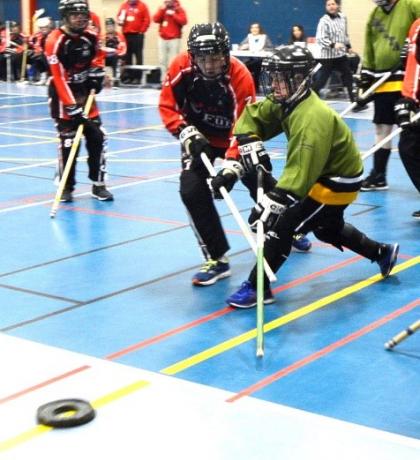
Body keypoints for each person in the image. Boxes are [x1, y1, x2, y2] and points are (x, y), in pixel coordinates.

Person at [214, 45, 399, 308]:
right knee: (326, 228)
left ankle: (258, 287)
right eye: (273, 77)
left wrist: (274, 203)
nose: (274, 84)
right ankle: (382, 252)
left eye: (281, 78)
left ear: (299, 80)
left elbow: (300, 171)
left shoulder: (311, 117)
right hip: (321, 174)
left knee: (282, 226)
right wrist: (248, 139)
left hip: (337, 181)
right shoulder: (287, 100)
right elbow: (254, 116)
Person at [45, 0, 113, 203]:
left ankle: (98, 184)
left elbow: (98, 56)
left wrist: (96, 73)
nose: (81, 18)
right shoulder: (54, 40)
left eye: (83, 14)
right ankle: (66, 186)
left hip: (86, 94)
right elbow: (57, 77)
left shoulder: (91, 36)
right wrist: (71, 105)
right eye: (75, 15)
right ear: (65, 17)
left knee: (97, 138)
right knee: (68, 143)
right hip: (62, 96)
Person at [358, 0, 420, 191]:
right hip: (383, 80)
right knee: (382, 128)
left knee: (410, 137)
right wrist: (366, 75)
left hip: (407, 79)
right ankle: (378, 174)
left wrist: (410, 49)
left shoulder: (411, 5)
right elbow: (369, 46)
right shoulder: (374, 14)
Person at [394, 18, 420, 220]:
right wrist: (408, 99)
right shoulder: (416, 25)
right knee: (408, 147)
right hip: (415, 98)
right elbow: (413, 65)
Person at [312, 0, 356, 105]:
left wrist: (348, 47)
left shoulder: (343, 18)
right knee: (322, 79)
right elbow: (320, 39)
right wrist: (333, 44)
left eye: (333, 4)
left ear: (338, 5)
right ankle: (311, 97)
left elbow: (345, 34)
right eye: (328, 5)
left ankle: (354, 102)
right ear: (326, 7)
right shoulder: (323, 20)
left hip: (340, 55)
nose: (331, 6)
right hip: (327, 56)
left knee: (348, 75)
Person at [153, 0, 187, 81]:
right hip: (162, 38)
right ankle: (163, 81)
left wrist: (174, 15)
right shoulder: (162, 9)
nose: (167, 2)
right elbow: (155, 19)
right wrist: (162, 10)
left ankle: (173, 79)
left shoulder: (179, 9)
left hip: (174, 39)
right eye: (166, 1)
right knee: (162, 60)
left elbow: (184, 21)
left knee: (173, 61)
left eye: (169, 1)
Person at [117, 0, 150, 84]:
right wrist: (120, 20)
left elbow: (147, 20)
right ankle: (129, 77)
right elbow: (119, 18)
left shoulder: (142, 5)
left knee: (138, 56)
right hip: (126, 35)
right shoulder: (124, 5)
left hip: (137, 35)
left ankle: (138, 78)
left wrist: (141, 31)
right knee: (127, 57)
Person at [239, 23, 274, 91]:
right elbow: (241, 46)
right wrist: (244, 47)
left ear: (259, 29)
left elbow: (271, 48)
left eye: (256, 28)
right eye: (252, 28)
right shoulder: (249, 37)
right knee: (253, 66)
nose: (254, 29)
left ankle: (255, 87)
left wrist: (264, 50)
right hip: (250, 59)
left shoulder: (264, 37)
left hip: (262, 60)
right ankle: (252, 86)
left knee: (256, 65)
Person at [28, 17, 53, 85]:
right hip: (44, 54)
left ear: (49, 27)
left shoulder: (53, 35)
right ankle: (43, 76)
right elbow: (37, 46)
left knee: (44, 57)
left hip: (55, 55)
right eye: (41, 28)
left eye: (45, 27)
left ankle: (51, 77)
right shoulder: (40, 37)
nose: (43, 29)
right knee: (35, 57)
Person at [104, 18, 127, 82]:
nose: (109, 28)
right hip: (105, 57)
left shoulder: (120, 36)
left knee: (117, 59)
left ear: (114, 26)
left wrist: (114, 52)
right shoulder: (103, 36)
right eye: (108, 26)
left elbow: (123, 50)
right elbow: (100, 49)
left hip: (116, 56)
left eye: (111, 26)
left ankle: (116, 79)